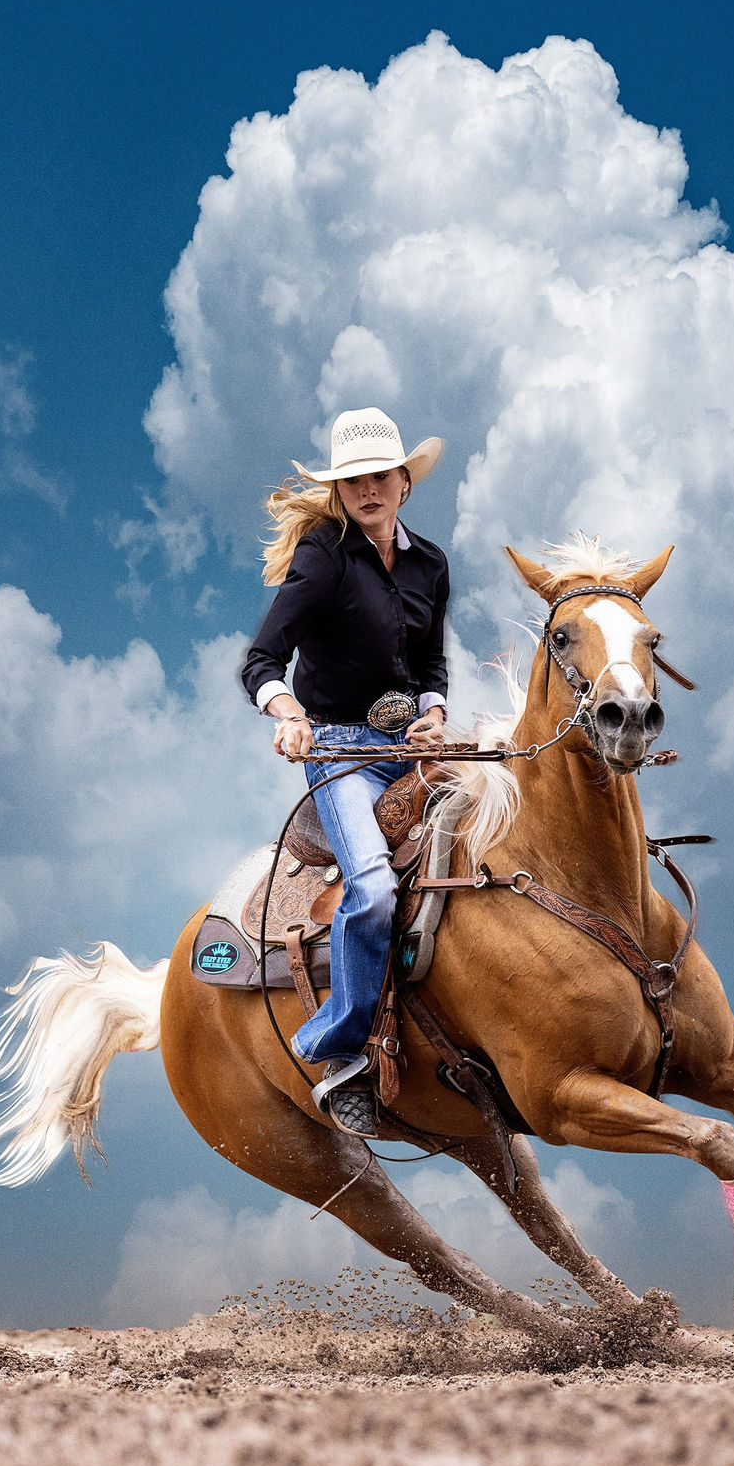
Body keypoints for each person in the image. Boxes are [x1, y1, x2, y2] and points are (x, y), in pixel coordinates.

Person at [241, 407, 449, 1138]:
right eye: (353, 480)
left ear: (403, 484)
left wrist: (434, 713)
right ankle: (342, 1051)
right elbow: (262, 660)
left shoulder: (430, 564)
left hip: (414, 750)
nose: (368, 490)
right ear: (339, 491)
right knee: (374, 886)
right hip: (340, 754)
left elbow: (431, 662)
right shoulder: (322, 556)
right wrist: (288, 715)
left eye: (379, 477)